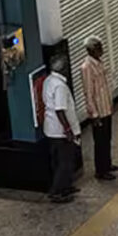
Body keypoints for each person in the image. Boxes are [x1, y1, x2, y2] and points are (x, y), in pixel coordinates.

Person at [43, 55, 81, 202]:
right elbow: (60, 110)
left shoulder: (48, 81)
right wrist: (68, 130)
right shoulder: (60, 86)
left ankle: (66, 186)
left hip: (51, 129)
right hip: (60, 132)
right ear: (64, 69)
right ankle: (57, 191)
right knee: (65, 162)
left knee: (60, 161)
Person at [81, 36, 118, 182]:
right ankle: (101, 170)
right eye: (98, 47)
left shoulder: (98, 62)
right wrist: (94, 114)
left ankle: (107, 164)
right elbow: (88, 93)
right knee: (100, 141)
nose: (101, 49)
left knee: (107, 138)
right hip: (98, 112)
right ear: (91, 50)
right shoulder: (87, 68)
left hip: (106, 108)